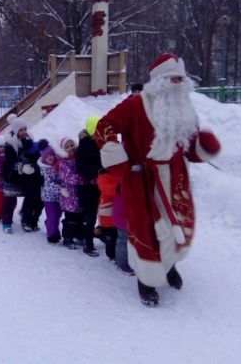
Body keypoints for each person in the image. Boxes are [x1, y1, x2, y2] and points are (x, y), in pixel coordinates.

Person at [95, 52, 221, 306]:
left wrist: (203, 147)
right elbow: (104, 125)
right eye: (172, 79)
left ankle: (169, 265)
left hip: (176, 178)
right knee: (148, 230)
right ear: (159, 80)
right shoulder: (135, 104)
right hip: (143, 179)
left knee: (178, 225)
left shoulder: (185, 108)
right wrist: (115, 154)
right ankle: (147, 279)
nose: (178, 84)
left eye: (181, 79)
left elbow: (189, 147)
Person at [76, 116, 103, 257]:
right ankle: (88, 243)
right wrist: (97, 170)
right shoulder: (84, 146)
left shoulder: (99, 143)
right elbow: (80, 168)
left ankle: (103, 234)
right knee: (90, 216)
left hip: (101, 184)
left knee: (104, 213)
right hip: (87, 187)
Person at [58, 137, 86, 249]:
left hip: (79, 193)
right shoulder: (63, 161)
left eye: (72, 145)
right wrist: (83, 179)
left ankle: (78, 235)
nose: (70, 148)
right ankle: (67, 238)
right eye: (67, 147)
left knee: (80, 216)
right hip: (69, 194)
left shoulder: (78, 157)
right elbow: (68, 176)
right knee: (70, 218)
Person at [38, 140, 63, 245]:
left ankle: (49, 225)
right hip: (49, 197)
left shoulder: (58, 165)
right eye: (48, 156)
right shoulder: (45, 169)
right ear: (43, 158)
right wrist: (61, 187)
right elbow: (50, 183)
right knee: (52, 215)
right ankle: (52, 236)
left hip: (60, 197)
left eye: (52, 155)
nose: (50, 157)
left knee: (57, 215)